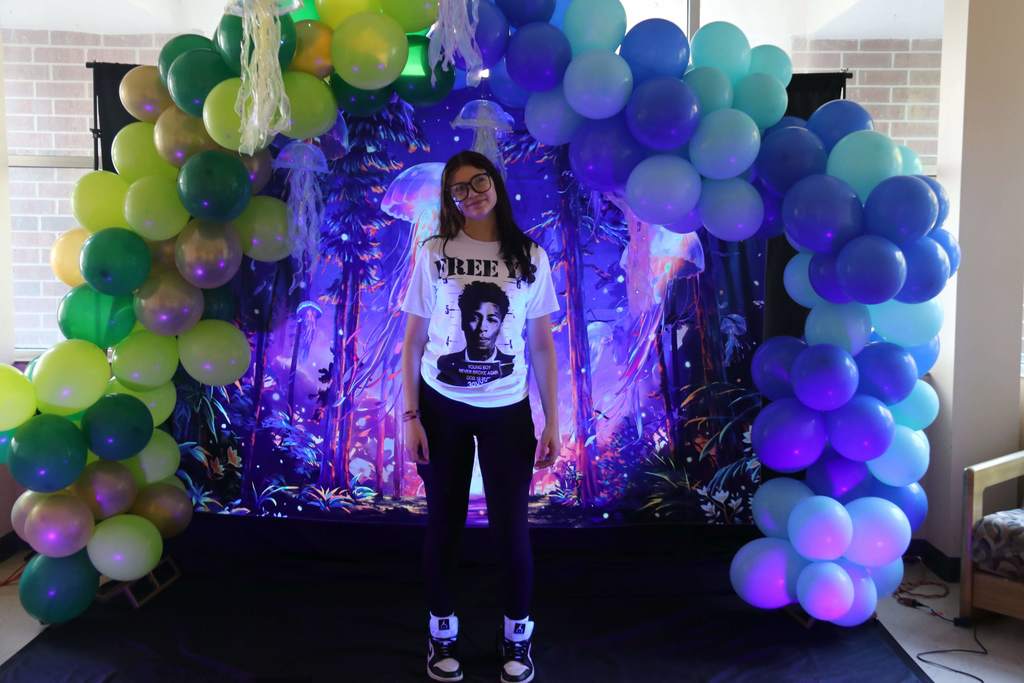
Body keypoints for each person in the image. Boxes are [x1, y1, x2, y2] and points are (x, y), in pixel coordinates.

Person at [400, 150, 560, 683]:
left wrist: (553, 420)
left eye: (478, 182)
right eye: (458, 190)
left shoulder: (531, 256)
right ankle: (441, 631)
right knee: (443, 525)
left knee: (512, 529)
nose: (471, 194)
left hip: (507, 413)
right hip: (441, 409)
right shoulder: (435, 252)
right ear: (449, 201)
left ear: (496, 184)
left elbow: (540, 346)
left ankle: (517, 637)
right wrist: (411, 415)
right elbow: (414, 341)